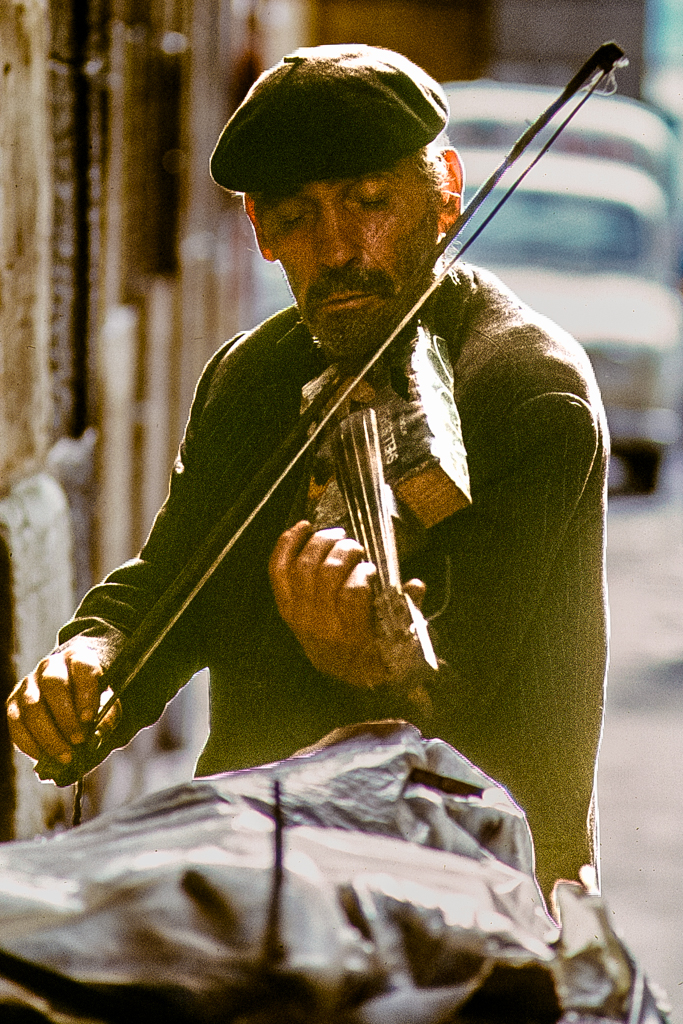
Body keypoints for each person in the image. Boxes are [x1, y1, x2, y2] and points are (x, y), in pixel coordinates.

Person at [6, 45, 608, 900]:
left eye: (369, 204)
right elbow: (178, 579)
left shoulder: (525, 388)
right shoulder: (252, 375)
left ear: (444, 191)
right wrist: (97, 657)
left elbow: (470, 689)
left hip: (468, 887)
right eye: (298, 215)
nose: (336, 249)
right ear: (259, 228)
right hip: (257, 865)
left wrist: (379, 663)